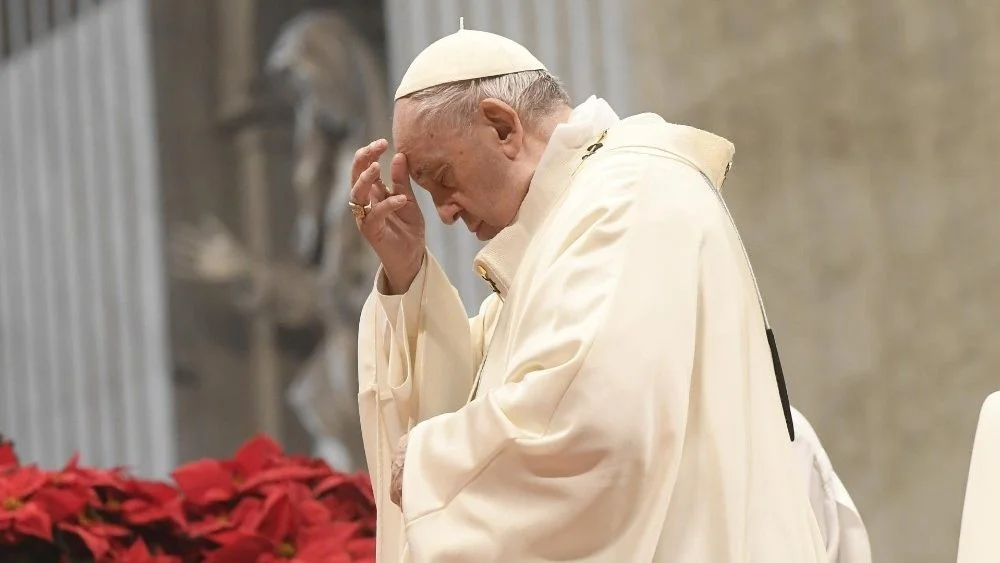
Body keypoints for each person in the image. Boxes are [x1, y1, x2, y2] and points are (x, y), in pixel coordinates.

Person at [349, 24, 829, 562]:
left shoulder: (628, 197)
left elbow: (597, 423)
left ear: (502, 126)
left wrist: (432, 463)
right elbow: (474, 387)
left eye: (442, 177)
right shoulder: (567, 229)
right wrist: (409, 272)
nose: (444, 212)